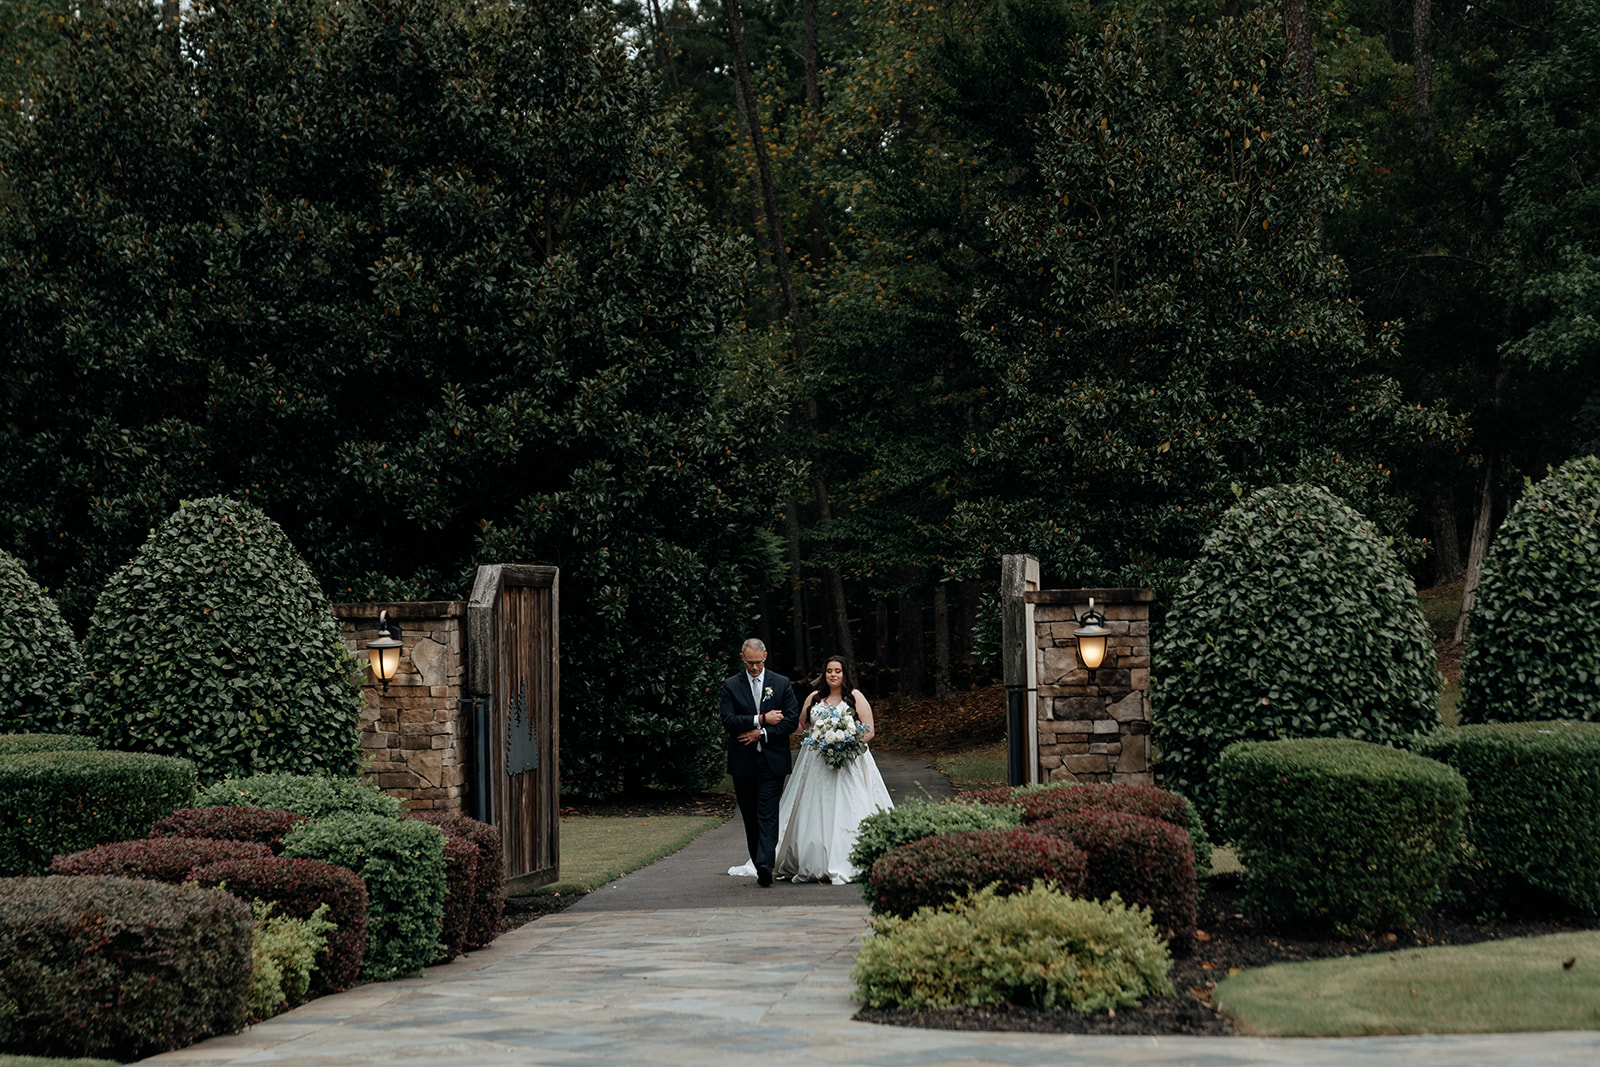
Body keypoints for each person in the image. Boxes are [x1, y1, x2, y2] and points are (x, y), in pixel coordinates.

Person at [773, 654, 894, 885]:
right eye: (829, 671)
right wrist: (783, 723)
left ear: (844, 673)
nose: (833, 675)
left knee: (849, 803)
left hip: (849, 761)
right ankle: (813, 859)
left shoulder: (855, 697)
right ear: (824, 674)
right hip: (817, 760)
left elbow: (869, 731)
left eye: (837, 671)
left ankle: (850, 857)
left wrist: (848, 742)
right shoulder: (814, 697)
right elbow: (802, 726)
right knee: (815, 805)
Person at [718, 638, 800, 887]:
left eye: (758, 662)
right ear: (743, 658)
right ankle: (757, 860)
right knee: (751, 815)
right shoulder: (731, 685)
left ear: (765, 656)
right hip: (743, 761)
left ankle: (765, 863)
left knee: (768, 811)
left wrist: (761, 733)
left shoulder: (781, 683)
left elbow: (790, 721)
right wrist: (761, 719)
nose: (754, 667)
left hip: (772, 760)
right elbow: (728, 720)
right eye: (750, 663)